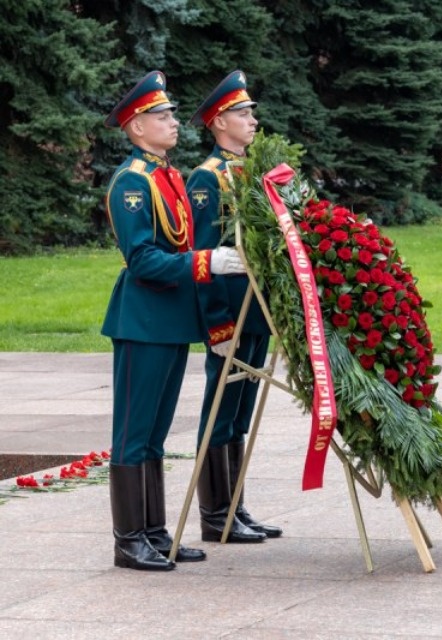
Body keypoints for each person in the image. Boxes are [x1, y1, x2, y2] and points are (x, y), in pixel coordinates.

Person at [102, 70, 248, 571]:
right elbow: (142, 259)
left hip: (168, 320)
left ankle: (155, 532)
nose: (173, 122)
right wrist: (207, 263)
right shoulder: (132, 184)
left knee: (157, 433)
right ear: (137, 127)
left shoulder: (167, 175)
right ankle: (128, 539)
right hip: (142, 318)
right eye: (161, 116)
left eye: (169, 114)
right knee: (134, 431)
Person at [186, 70, 281, 544]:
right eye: (243, 114)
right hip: (230, 312)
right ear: (220, 121)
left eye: (251, 112)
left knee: (240, 412)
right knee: (220, 411)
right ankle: (215, 514)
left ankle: (235, 508)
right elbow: (205, 256)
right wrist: (217, 324)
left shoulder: (253, 171)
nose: (252, 120)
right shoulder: (208, 178)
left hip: (257, 311)